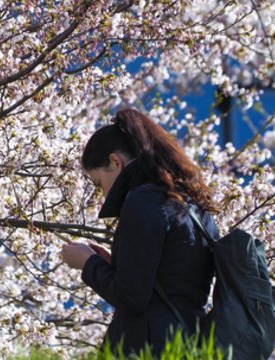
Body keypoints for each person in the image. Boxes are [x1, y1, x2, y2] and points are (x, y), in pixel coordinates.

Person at [60, 108, 220, 356]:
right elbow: (170, 277)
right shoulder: (192, 202)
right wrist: (112, 265)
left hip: (148, 344)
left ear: (115, 162)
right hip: (188, 339)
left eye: (98, 183)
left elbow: (131, 298)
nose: (102, 194)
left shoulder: (143, 200)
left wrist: (88, 263)